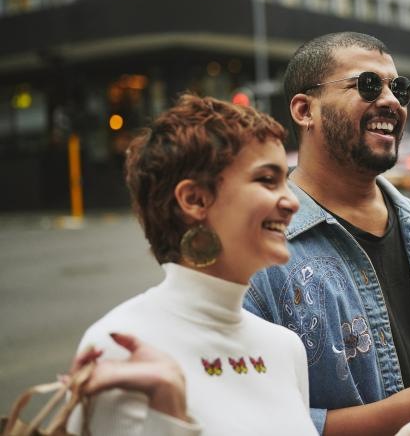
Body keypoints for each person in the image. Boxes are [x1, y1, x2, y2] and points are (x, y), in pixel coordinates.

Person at [245, 31, 410, 435]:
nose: (392, 101)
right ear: (305, 110)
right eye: (368, 85)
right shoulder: (261, 247)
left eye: (400, 88)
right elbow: (253, 421)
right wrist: (406, 411)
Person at [68, 94, 315, 435]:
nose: (292, 201)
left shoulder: (285, 348)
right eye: (267, 180)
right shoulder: (118, 345)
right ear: (195, 199)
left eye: (286, 180)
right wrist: (168, 413)